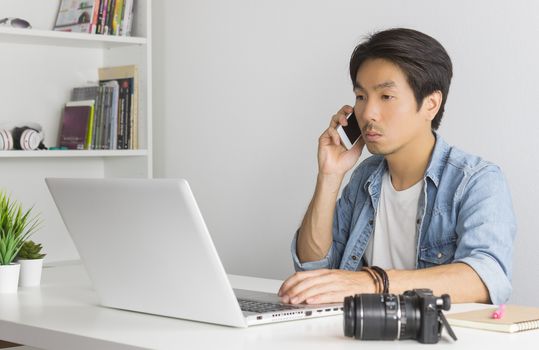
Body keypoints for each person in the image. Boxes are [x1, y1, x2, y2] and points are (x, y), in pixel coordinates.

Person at [278, 28, 516, 306]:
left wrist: (373, 282)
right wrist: (330, 176)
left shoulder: (476, 180)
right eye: (361, 97)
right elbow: (313, 271)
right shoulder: (365, 177)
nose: (367, 114)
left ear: (431, 104)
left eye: (386, 97)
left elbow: (487, 277)